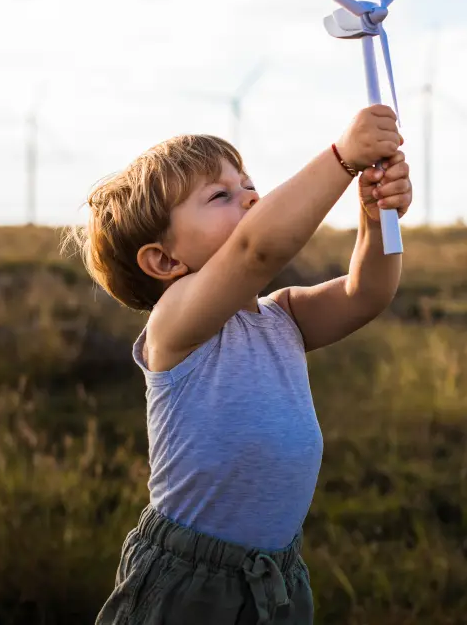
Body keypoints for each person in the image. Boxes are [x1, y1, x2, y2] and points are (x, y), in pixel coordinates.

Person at [73, 104, 411, 624]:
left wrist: (375, 218)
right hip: (187, 578)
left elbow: (365, 294)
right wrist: (342, 158)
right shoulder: (176, 325)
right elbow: (257, 250)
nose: (252, 197)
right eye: (220, 196)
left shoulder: (284, 317)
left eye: (247, 183)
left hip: (274, 574)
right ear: (165, 261)